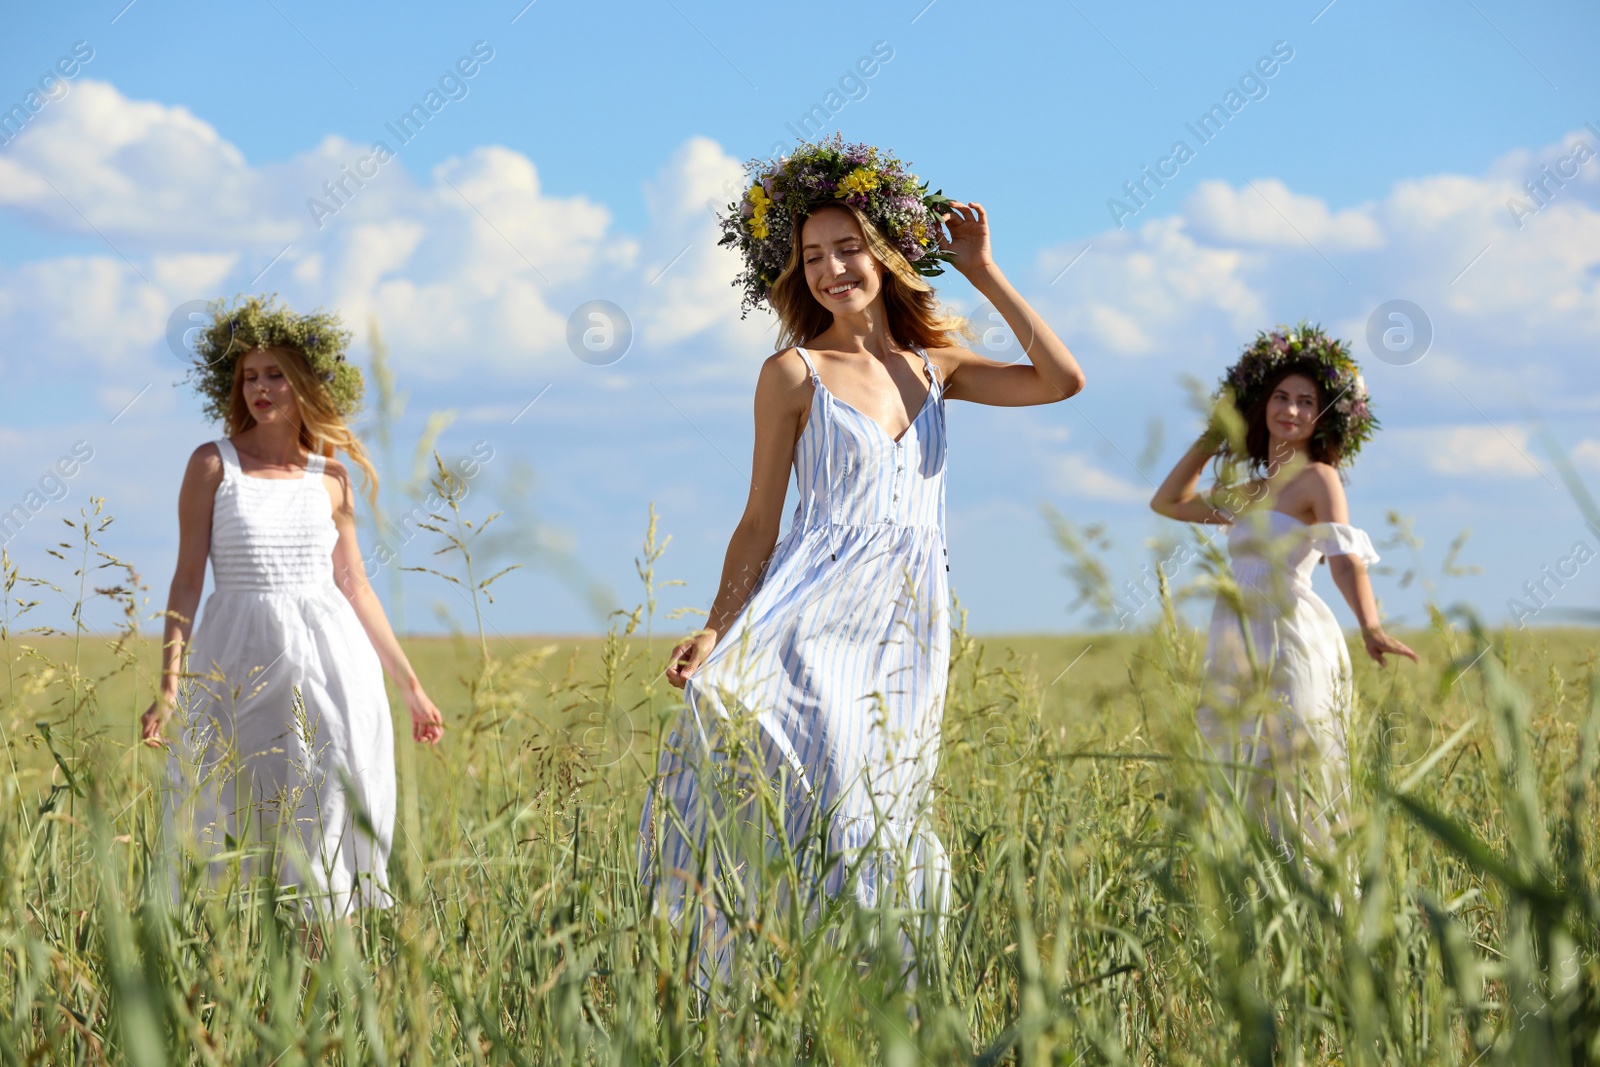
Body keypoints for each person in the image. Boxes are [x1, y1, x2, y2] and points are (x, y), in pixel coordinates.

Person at [639, 138, 1086, 977]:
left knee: (883, 808)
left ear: (884, 252)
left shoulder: (937, 366)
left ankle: (873, 990)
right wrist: (712, 626)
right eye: (811, 256)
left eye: (848, 248)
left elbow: (1061, 380)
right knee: (832, 787)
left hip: (905, 626)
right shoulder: (792, 373)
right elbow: (759, 521)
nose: (831, 268)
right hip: (807, 614)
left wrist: (982, 271)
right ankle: (747, 965)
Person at [142, 294, 444, 917]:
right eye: (249, 376)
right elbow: (186, 582)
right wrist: (169, 686)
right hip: (236, 658)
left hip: (330, 663)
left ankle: (321, 962)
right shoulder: (211, 464)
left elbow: (355, 584)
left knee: (328, 795)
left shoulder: (331, 477)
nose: (259, 387)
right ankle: (233, 955)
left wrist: (411, 686)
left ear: (304, 381)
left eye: (274, 373)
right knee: (231, 801)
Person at [1150, 324, 1417, 842]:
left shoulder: (1320, 479)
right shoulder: (1246, 491)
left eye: (1305, 402)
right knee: (1238, 773)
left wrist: (1371, 626)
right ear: (1262, 406)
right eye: (1280, 397)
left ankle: (1319, 906)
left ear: (1320, 417)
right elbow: (1167, 502)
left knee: (1297, 768)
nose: (1290, 410)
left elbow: (1343, 560)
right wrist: (1212, 438)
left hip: (1292, 632)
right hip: (1236, 639)